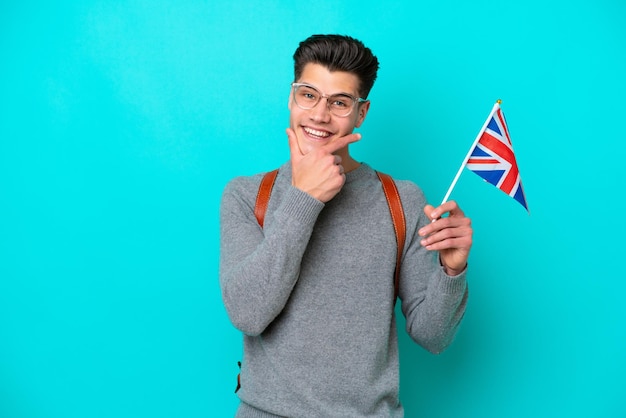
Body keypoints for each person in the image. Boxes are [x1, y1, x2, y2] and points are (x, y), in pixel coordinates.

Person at [219, 34, 472, 417]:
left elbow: (433, 337)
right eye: (308, 95)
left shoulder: (401, 200)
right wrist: (304, 198)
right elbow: (248, 314)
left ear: (361, 113)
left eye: (339, 102)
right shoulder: (247, 195)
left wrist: (451, 271)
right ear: (292, 98)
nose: (320, 115)